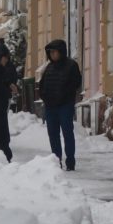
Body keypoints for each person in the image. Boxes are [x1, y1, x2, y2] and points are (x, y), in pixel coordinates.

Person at [38, 39, 82, 171]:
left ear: (61, 52)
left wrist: (64, 96)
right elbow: (42, 85)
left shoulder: (71, 65)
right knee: (53, 134)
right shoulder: (49, 67)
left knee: (67, 133)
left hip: (65, 106)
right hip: (51, 107)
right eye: (50, 52)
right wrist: (45, 97)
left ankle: (70, 161)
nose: (52, 55)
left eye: (55, 52)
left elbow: (75, 83)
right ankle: (56, 160)